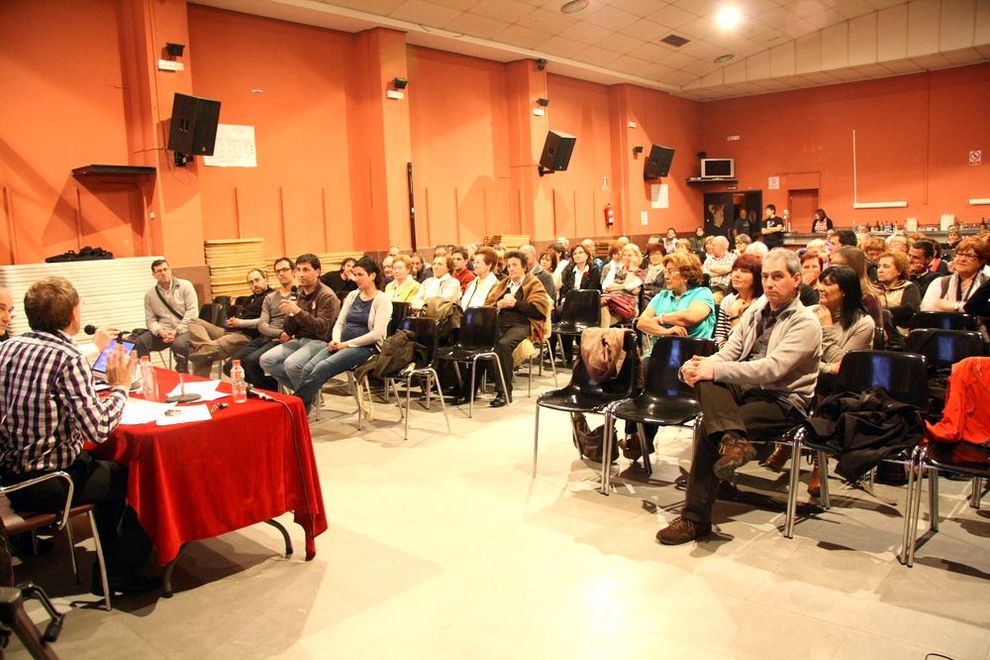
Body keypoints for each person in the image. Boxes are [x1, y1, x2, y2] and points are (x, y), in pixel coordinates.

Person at [0, 276, 158, 595]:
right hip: (49, 482)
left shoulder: (8, 347)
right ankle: (119, 571)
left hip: (10, 475)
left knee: (102, 468)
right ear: (73, 313)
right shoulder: (66, 357)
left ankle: (109, 563)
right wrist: (121, 387)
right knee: (143, 477)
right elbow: (97, 429)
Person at [655, 249, 822, 545]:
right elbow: (730, 351)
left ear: (796, 280)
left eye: (778, 276)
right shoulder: (758, 310)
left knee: (709, 427)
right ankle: (734, 442)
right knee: (706, 378)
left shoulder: (806, 322)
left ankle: (695, 519)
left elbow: (772, 370)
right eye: (766, 276)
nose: (769, 283)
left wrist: (713, 369)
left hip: (783, 401)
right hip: (747, 390)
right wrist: (695, 367)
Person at [764, 266, 874, 493]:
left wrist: (827, 329)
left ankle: (817, 459)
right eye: (821, 282)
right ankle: (799, 445)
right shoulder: (809, 312)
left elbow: (842, 364)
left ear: (845, 290)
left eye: (829, 284)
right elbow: (792, 355)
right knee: (809, 382)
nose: (821, 288)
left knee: (827, 390)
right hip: (811, 375)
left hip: (845, 386)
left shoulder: (863, 323)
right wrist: (822, 367)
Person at [621, 251, 717, 461]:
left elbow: (692, 316)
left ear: (687, 274)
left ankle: (640, 437)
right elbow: (642, 322)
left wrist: (661, 317)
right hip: (660, 358)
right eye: (666, 271)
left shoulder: (702, 294)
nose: (666, 275)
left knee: (649, 373)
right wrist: (666, 332)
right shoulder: (662, 296)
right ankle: (635, 435)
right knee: (638, 371)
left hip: (692, 361)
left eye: (671, 271)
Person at [291, 257, 391, 412]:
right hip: (342, 343)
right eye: (355, 275)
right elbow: (339, 323)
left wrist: (346, 344)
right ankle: (303, 410)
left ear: (372, 276)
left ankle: (294, 408)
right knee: (307, 368)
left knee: (322, 367)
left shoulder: (382, 300)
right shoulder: (352, 295)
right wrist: (336, 340)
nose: (356, 279)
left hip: (367, 348)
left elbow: (376, 334)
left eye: (360, 275)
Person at [259, 254, 341, 393]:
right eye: (298, 270)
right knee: (266, 360)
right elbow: (290, 331)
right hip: (299, 339)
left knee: (291, 365)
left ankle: (304, 396)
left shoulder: (326, 295)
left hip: (320, 341)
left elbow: (323, 329)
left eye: (306, 270)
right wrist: (290, 315)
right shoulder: (299, 293)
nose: (301, 274)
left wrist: (298, 312)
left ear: (317, 271)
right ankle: (307, 392)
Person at [481, 251, 550, 408]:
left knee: (503, 344)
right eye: (509, 266)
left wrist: (516, 304)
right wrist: (499, 304)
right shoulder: (504, 283)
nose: (511, 269)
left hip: (523, 325)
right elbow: (488, 305)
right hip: (500, 323)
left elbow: (539, 312)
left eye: (514, 265)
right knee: (481, 340)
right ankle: (468, 390)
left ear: (524, 267)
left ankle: (504, 392)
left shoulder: (534, 283)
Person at [228, 257, 296, 392]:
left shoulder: (300, 294)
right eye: (278, 271)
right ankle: (269, 389)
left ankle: (270, 393)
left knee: (251, 362)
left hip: (286, 338)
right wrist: (278, 333)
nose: (281, 273)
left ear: (293, 271)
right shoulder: (270, 297)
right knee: (230, 366)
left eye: (285, 269)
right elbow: (262, 324)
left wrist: (284, 334)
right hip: (268, 336)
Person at [186, 268, 270, 377]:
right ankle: (206, 347)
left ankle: (202, 375)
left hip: (246, 336)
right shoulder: (249, 299)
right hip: (230, 331)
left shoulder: (270, 297)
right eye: (251, 282)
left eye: (257, 280)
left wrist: (240, 323)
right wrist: (232, 322)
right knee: (193, 321)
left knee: (202, 355)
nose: (255, 284)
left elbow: (264, 321)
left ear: (265, 279)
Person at [133, 259, 198, 373]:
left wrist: (177, 331)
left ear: (170, 270)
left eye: (165, 269)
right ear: (154, 275)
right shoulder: (150, 294)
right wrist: (160, 331)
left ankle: (183, 374)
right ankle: (146, 373)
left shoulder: (185, 286)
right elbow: (150, 319)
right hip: (164, 331)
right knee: (140, 342)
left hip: (186, 329)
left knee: (179, 345)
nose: (163, 273)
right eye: (159, 271)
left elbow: (192, 312)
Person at [552, 243, 602, 367]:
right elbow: (565, 290)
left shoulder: (594, 270)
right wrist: (565, 300)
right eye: (574, 253)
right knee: (556, 313)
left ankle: (580, 354)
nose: (577, 255)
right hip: (570, 304)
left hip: (587, 304)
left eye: (580, 253)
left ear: (587, 255)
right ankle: (562, 353)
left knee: (566, 313)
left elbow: (592, 290)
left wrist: (574, 298)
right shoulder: (569, 270)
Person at [921, 237, 989, 312]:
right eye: (960, 254)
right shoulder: (939, 282)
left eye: (969, 256)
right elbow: (926, 308)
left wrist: (956, 306)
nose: (962, 259)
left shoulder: (987, 284)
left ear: (982, 261)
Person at [712, 254, 763, 349]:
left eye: (744, 271)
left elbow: (745, 343)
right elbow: (720, 335)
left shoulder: (762, 304)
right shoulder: (728, 300)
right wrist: (725, 351)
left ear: (756, 277)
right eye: (735, 270)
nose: (736, 275)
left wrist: (734, 315)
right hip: (727, 352)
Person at [876, 250, 921, 330]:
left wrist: (879, 312)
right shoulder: (872, 288)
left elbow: (908, 309)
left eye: (886, 266)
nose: (880, 270)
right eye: (879, 266)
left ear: (899, 271)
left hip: (900, 332)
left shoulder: (909, 287)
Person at [600, 244, 643, 327]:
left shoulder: (639, 272)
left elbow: (630, 287)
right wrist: (623, 287)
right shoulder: (616, 269)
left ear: (636, 257)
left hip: (628, 306)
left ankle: (602, 333)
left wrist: (631, 269)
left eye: (630, 255)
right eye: (624, 255)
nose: (626, 257)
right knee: (603, 309)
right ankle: (604, 333)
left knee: (603, 315)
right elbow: (606, 286)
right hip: (612, 303)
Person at [703, 235, 736, 302]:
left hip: (722, 288)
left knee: (711, 300)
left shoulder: (733, 257)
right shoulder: (708, 259)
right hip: (708, 288)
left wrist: (710, 268)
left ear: (722, 247)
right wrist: (720, 272)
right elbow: (705, 273)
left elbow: (726, 269)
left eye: (713, 245)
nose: (711, 247)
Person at [639, 242, 666, 308]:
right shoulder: (646, 271)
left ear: (663, 255)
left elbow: (666, 289)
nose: (654, 257)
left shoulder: (666, 271)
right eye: (651, 255)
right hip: (644, 299)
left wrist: (649, 292)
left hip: (660, 300)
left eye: (657, 254)